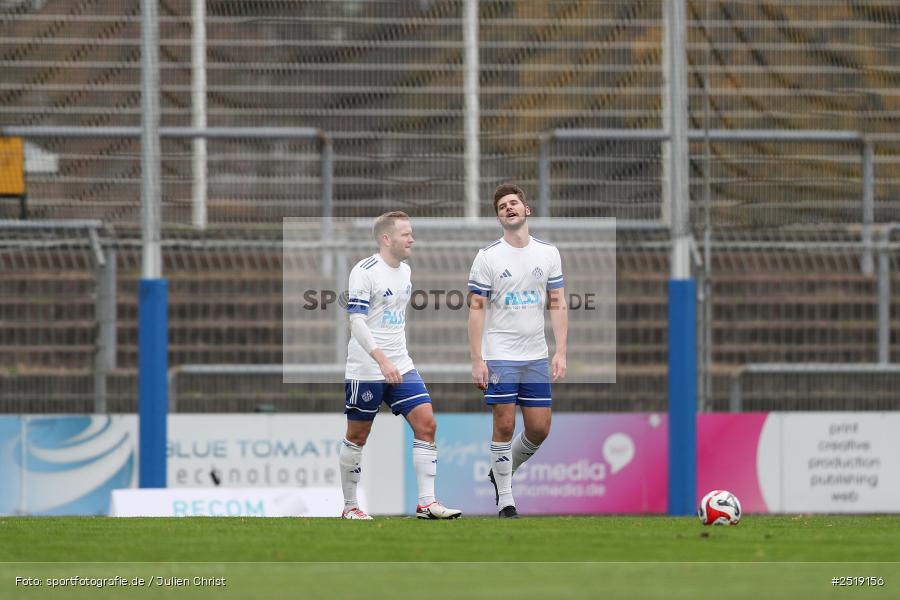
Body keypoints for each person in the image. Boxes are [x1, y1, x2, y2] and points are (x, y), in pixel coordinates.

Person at [339, 211, 462, 520]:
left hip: (401, 365)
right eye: (406, 234)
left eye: (411, 233)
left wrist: (394, 361)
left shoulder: (406, 271)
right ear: (386, 239)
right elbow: (356, 321)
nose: (412, 239)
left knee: (427, 424)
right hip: (367, 368)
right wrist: (381, 360)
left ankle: (426, 503)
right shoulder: (364, 271)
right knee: (357, 436)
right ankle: (350, 507)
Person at [467, 184, 568, 518]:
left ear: (527, 210)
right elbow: (476, 309)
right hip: (500, 354)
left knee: (539, 428)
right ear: (498, 217)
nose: (508, 208)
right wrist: (477, 359)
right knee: (505, 424)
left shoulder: (548, 253)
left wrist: (560, 351)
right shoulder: (488, 257)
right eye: (501, 206)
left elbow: (558, 303)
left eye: (514, 203)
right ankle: (506, 499)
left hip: (536, 355)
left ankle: (502, 471)